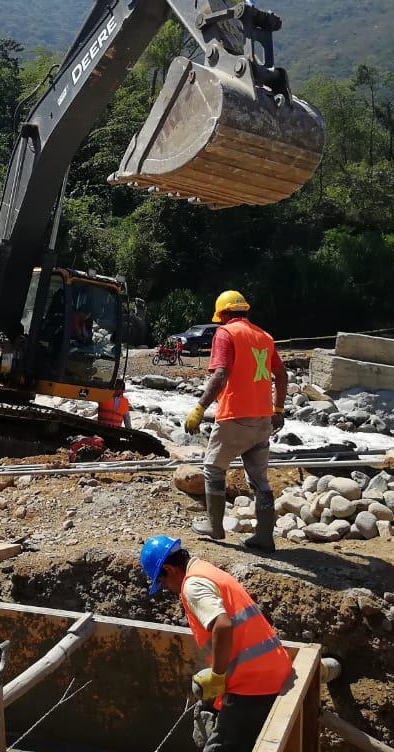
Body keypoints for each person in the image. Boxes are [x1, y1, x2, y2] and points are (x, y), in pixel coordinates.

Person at [140, 536, 290, 752]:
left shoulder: (192, 585)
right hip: (272, 670)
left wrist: (217, 675)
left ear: (169, 569)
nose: (166, 588)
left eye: (162, 582)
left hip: (253, 683)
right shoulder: (205, 569)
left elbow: (222, 625)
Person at [184, 290, 287, 550]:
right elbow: (282, 375)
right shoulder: (265, 337)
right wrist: (278, 409)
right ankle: (264, 537)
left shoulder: (226, 333)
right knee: (260, 479)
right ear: (246, 311)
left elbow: (220, 374)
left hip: (234, 416)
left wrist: (200, 407)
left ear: (224, 314)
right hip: (263, 418)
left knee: (213, 468)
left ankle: (215, 526)